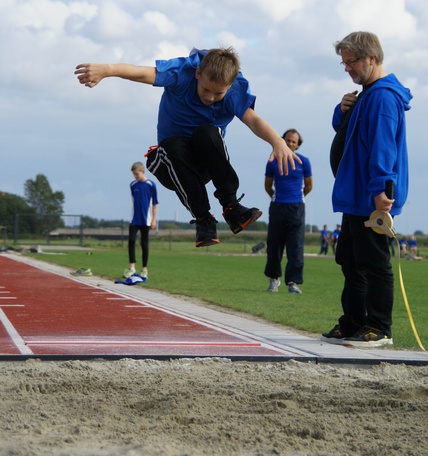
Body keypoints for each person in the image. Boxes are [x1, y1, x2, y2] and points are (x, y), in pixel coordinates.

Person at [75, 47, 300, 247]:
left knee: (208, 132)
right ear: (198, 74)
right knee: (175, 143)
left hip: (202, 164)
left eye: (218, 93)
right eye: (205, 90)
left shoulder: (233, 92)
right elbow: (142, 73)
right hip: (170, 163)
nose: (210, 98)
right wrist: (106, 70)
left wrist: (277, 141)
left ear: (229, 86)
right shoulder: (181, 72)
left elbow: (252, 119)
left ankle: (232, 209)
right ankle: (203, 220)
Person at [322, 31, 411, 348]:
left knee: (374, 263)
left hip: (369, 197)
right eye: (344, 63)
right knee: (349, 259)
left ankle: (379, 327)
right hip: (353, 195)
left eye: (351, 62)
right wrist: (342, 110)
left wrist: (380, 190)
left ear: (371, 58)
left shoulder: (383, 98)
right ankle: (353, 323)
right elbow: (348, 132)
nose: (347, 68)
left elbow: (382, 147)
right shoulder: (367, 95)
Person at [264, 129, 312, 294]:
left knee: (296, 246)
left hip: (297, 207)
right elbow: (268, 186)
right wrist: (279, 198)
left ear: (298, 144)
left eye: (294, 141)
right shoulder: (272, 161)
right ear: (282, 140)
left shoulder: (304, 162)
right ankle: (274, 279)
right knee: (274, 245)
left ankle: (293, 282)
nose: (290, 143)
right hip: (277, 206)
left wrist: (297, 198)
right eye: (288, 140)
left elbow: (309, 186)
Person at [124, 161, 158, 280]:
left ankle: (144, 269)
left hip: (146, 219)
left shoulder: (151, 185)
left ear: (142, 172)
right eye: (134, 174)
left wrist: (154, 219)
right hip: (134, 218)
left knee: (144, 243)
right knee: (131, 241)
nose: (135, 176)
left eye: (137, 174)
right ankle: (132, 268)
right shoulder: (133, 185)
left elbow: (155, 203)